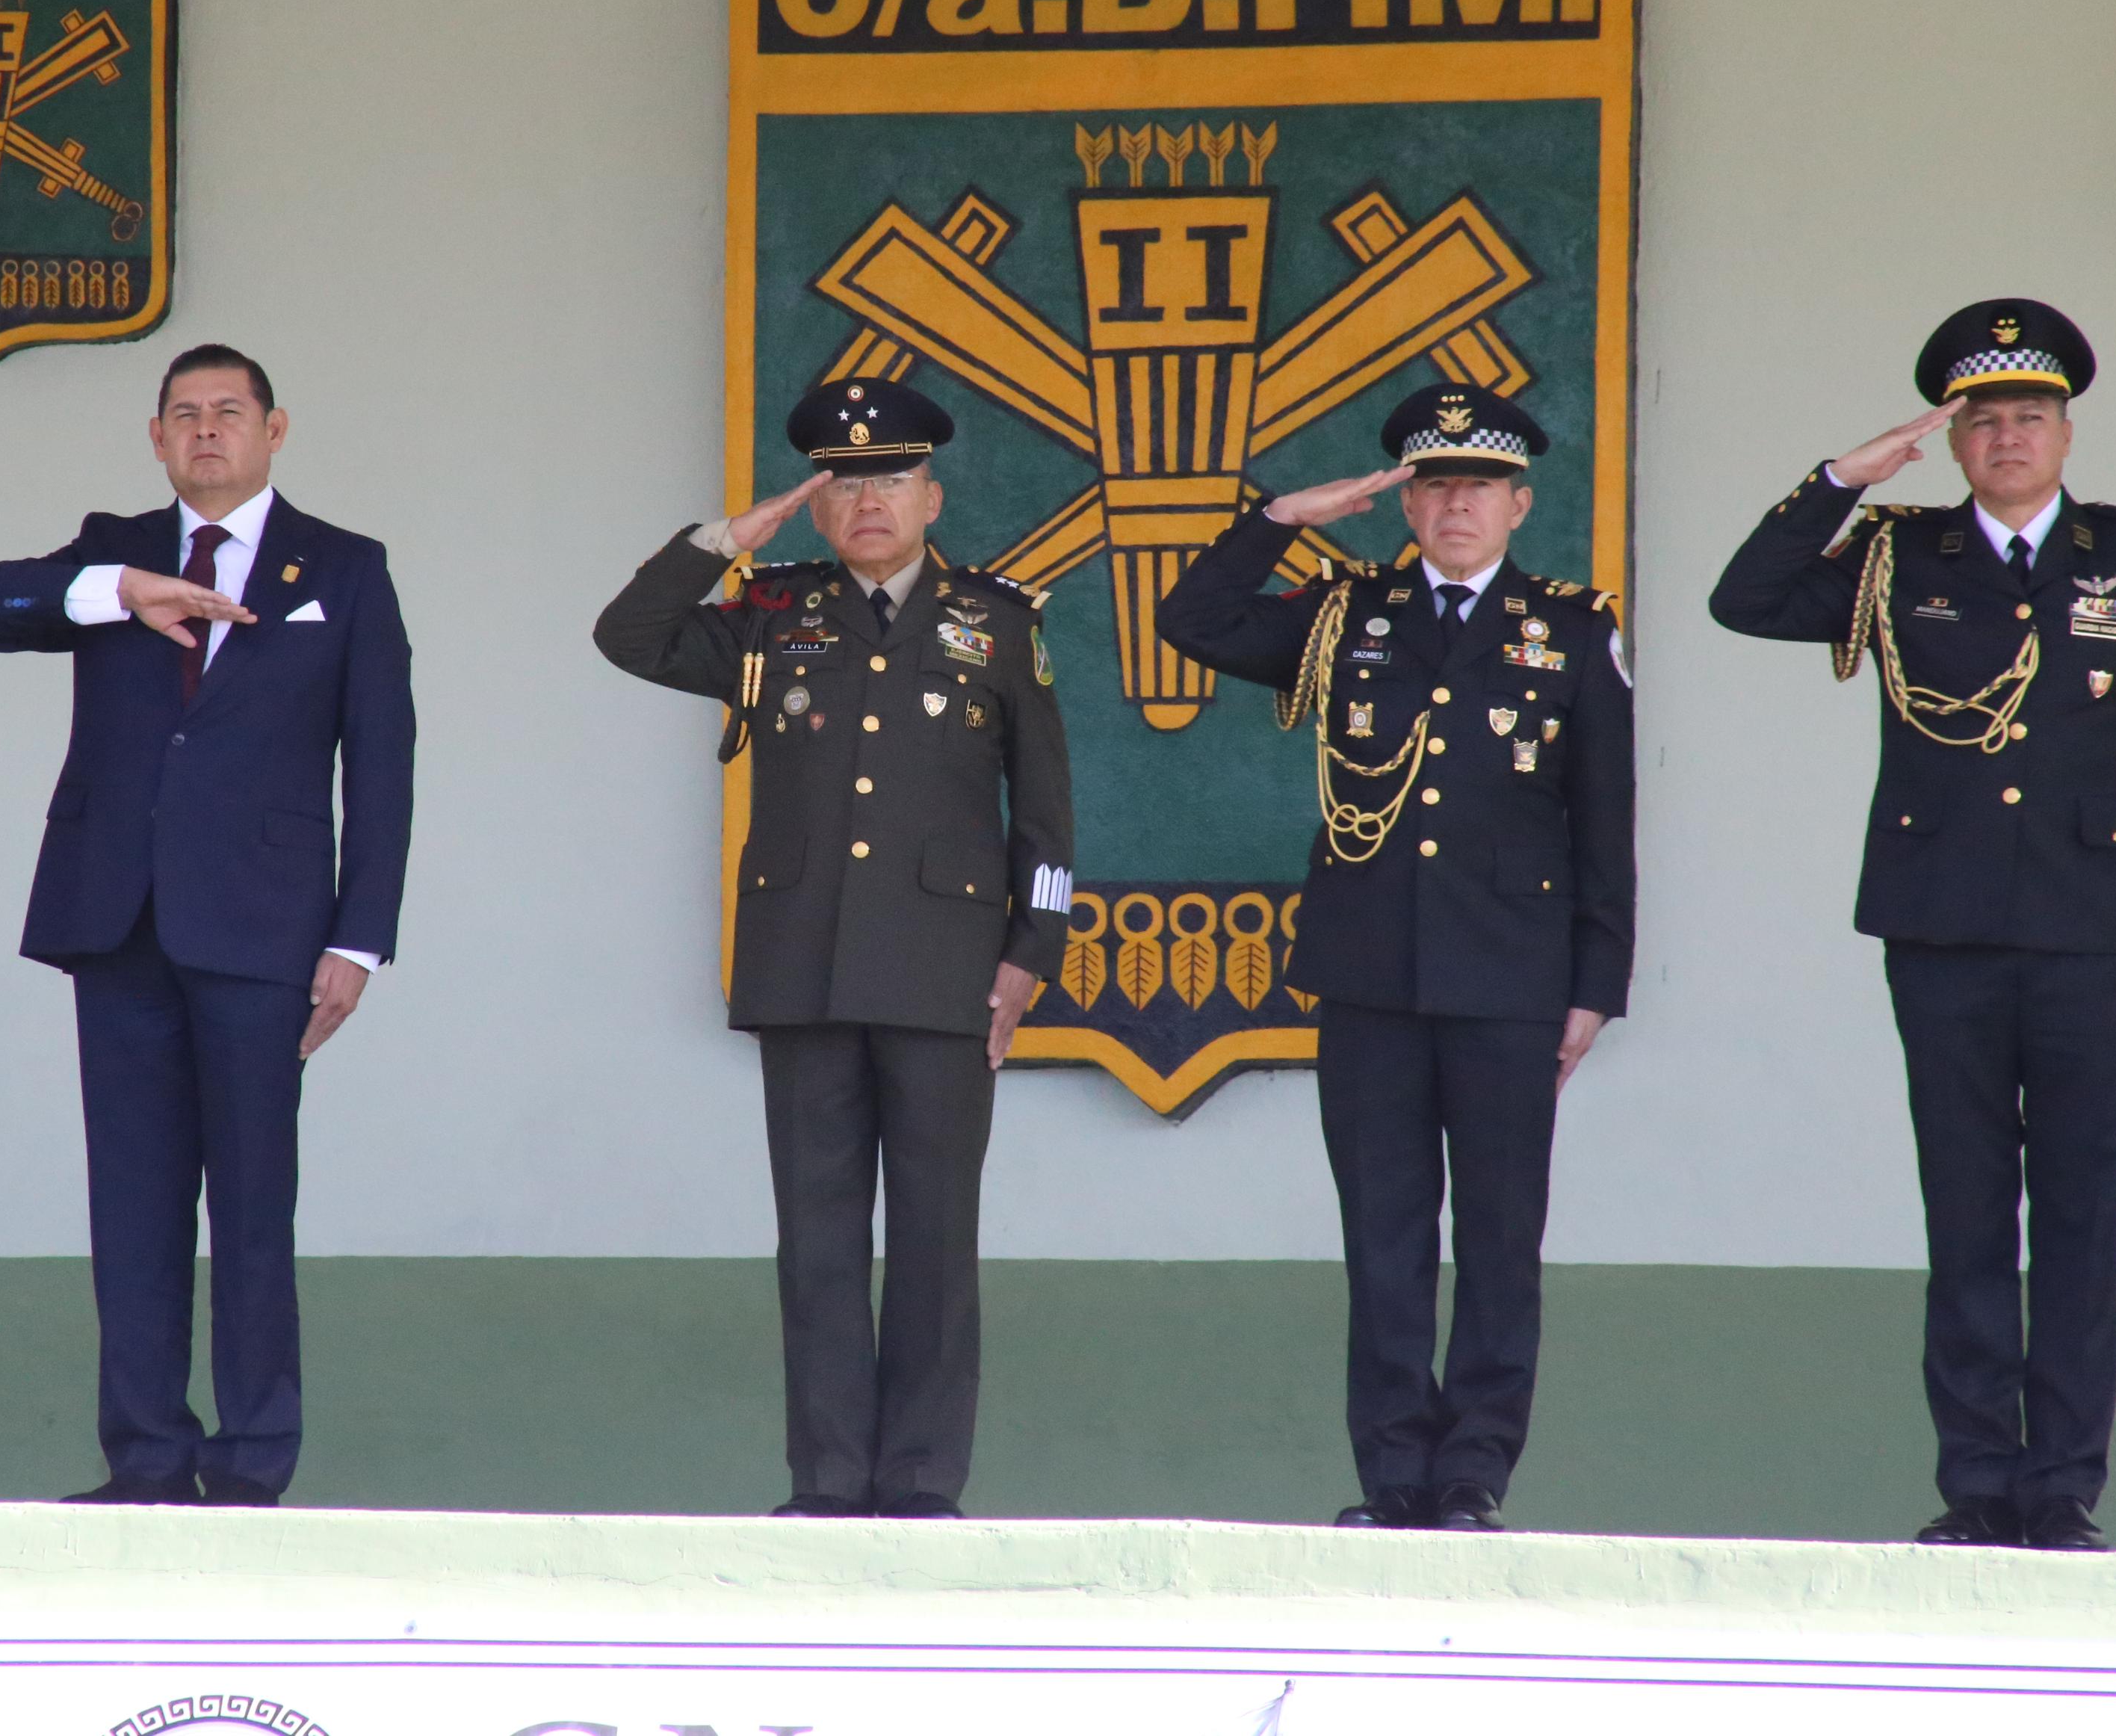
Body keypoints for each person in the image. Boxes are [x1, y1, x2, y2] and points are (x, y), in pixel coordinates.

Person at [1708, 297, 2116, 1552]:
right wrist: (1841, 479)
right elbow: (1745, 598)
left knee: (2080, 1216)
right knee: (1969, 1210)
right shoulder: (1899, 557)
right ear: (1951, 440)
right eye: (1983, 420)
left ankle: (2065, 1489)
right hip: (1941, 928)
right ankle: (1981, 1485)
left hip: (2092, 930)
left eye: (2030, 416)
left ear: (2065, 431)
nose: (2008, 437)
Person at [0, 344, 415, 1506]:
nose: (207, 430)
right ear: (156, 438)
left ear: (274, 429)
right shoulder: (116, 550)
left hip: (265, 928)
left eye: (229, 411)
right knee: (134, 1208)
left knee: (252, 1207)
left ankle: (251, 1462)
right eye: (185, 414)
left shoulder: (344, 566)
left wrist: (358, 937)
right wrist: (117, 590)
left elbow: (384, 761)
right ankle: (145, 1458)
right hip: (119, 920)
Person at [1156, 380, 1634, 1534]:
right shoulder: (1346, 615)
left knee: (1500, 1238)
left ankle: (1474, 1472)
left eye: (1480, 484)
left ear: (1520, 504)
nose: (1456, 503)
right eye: (1435, 484)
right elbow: (1194, 622)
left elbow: (1605, 819)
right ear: (1406, 502)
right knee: (1383, 1237)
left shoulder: (1571, 630)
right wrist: (1279, 521)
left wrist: (1596, 984)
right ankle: (1394, 1476)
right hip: (1371, 971)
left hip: (1512, 978)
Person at [594, 377, 1073, 1519]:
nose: (869, 501)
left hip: (948, 974)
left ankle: (919, 1479)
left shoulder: (998, 623)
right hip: (805, 968)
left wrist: (1031, 951)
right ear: (816, 505)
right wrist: (721, 543)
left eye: (892, 480)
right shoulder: (774, 612)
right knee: (815, 1241)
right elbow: (629, 635)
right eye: (845, 484)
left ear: (931, 497)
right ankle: (827, 1481)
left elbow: (1048, 810)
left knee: (935, 1242)